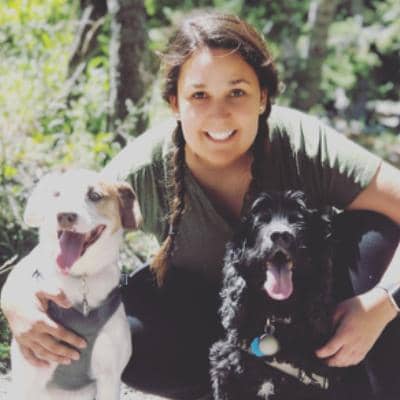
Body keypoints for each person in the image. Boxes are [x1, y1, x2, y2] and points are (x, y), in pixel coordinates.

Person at [2, 10, 400, 400]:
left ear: (263, 97)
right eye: (199, 95)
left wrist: (383, 302)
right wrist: (13, 298)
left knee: (376, 235)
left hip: (318, 312)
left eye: (237, 92)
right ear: (175, 103)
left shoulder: (301, 144)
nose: (219, 114)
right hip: (215, 315)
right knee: (134, 327)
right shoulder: (144, 168)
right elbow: (69, 229)